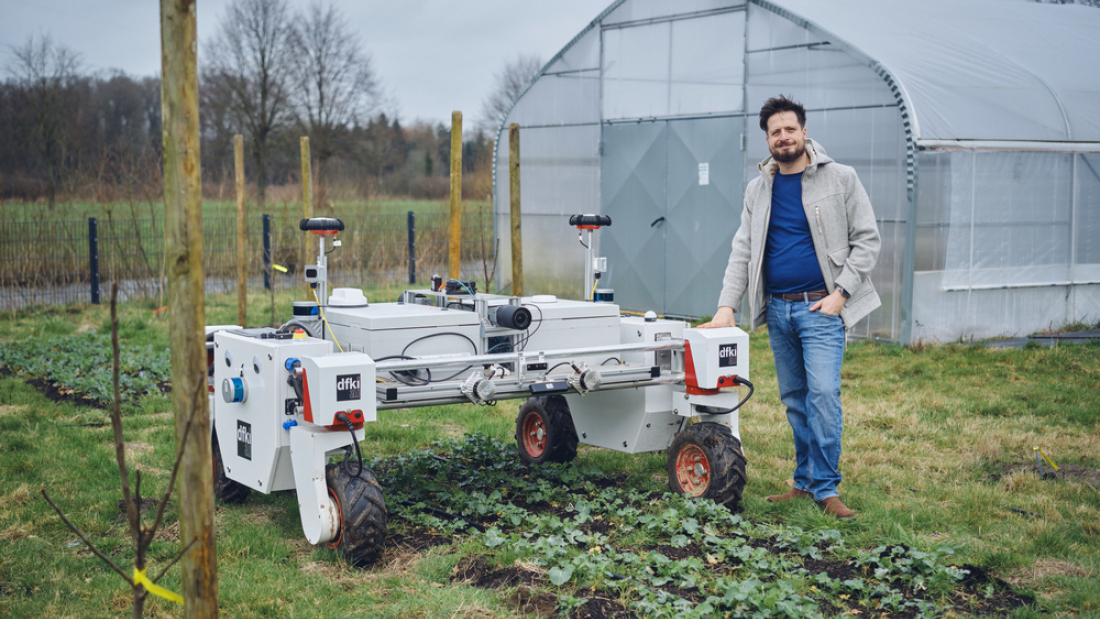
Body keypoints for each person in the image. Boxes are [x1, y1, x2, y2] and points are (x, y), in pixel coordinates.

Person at [699, 95, 880, 519]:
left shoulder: (841, 179)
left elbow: (867, 239)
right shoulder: (758, 189)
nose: (783, 137)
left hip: (821, 310)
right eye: (775, 132)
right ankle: (804, 482)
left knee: (822, 396)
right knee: (795, 399)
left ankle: (827, 488)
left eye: (790, 129)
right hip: (779, 313)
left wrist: (841, 295)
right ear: (767, 140)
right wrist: (728, 306)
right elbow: (743, 250)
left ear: (804, 132)